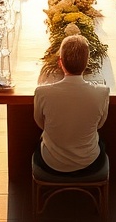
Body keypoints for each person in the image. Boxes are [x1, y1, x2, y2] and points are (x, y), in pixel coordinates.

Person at [33, 35, 110, 174]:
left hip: (50, 162)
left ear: (60, 62)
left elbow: (40, 123)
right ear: (87, 63)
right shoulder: (102, 92)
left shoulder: (42, 92)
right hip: (89, 162)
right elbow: (100, 124)